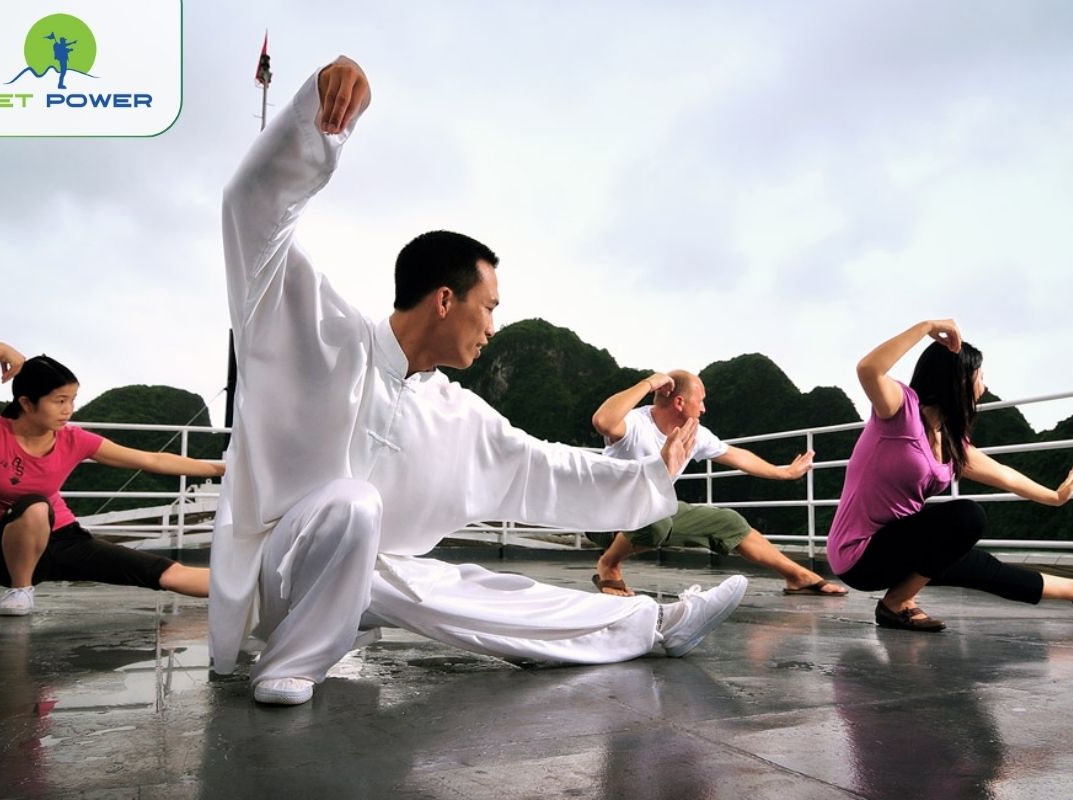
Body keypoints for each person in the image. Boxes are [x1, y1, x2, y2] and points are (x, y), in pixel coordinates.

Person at [212, 55, 748, 707]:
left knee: (466, 585)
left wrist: (651, 474)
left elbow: (547, 469)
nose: (493, 326)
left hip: (369, 584)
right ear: (445, 299)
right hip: (278, 578)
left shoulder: (456, 417)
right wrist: (315, 134)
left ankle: (654, 624)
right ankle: (287, 668)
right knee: (353, 506)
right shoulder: (314, 329)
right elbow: (251, 212)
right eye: (490, 306)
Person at [826, 319, 1073, 631]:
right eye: (979, 377)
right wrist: (926, 327)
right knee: (966, 516)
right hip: (859, 554)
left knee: (984, 567)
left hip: (901, 546)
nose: (983, 387)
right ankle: (897, 604)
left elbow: (1004, 475)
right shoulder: (900, 412)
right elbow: (869, 369)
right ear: (956, 379)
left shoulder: (951, 443)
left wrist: (1054, 497)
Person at [0, 343, 223, 616]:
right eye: (59, 400)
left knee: (168, 573)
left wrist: (222, 470)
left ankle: (256, 587)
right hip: (1, 556)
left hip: (65, 540)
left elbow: (151, 459)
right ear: (26, 403)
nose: (68, 409)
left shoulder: (74, 439)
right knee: (35, 507)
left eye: (72, 399)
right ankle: (20, 589)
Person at [588, 370, 847, 597]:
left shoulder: (695, 432)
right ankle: (609, 565)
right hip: (608, 516)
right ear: (679, 402)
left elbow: (737, 456)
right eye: (700, 401)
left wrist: (785, 473)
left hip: (654, 510)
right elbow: (603, 421)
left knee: (729, 522)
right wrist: (649, 383)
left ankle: (798, 577)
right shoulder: (636, 424)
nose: (703, 409)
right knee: (658, 519)